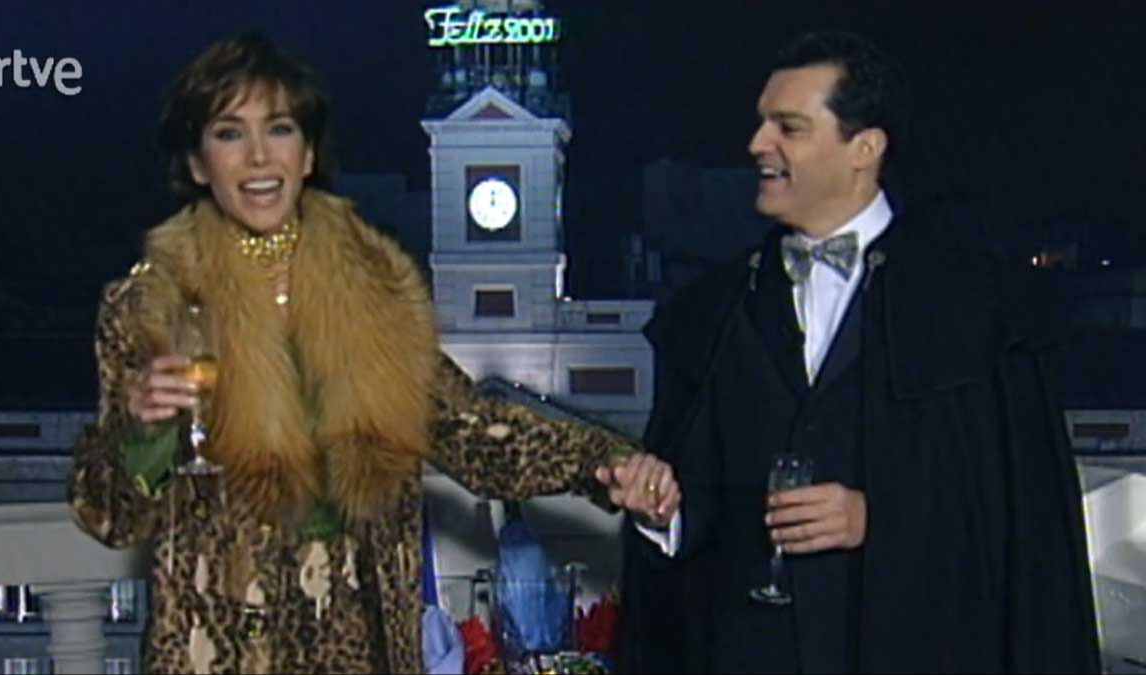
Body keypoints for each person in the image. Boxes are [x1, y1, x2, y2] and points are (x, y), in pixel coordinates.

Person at [67, 32, 639, 674]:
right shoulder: (150, 309)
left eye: (279, 129)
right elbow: (109, 516)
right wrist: (143, 434)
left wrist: (608, 463)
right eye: (230, 133)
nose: (258, 156)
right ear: (199, 163)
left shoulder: (373, 302)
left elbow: (477, 435)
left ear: (307, 153)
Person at [604, 30, 1100, 674]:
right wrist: (663, 514)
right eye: (761, 122)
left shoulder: (977, 311)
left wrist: (878, 519)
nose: (757, 144)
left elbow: (1021, 527)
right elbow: (696, 521)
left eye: (789, 127)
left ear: (865, 149)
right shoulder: (711, 314)